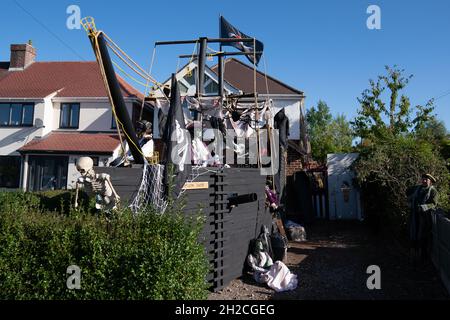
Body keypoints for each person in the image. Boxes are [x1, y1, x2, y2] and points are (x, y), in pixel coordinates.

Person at [407, 173, 438, 263]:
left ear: (430, 181)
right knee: (413, 234)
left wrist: (423, 207)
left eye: (426, 180)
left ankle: (422, 259)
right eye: (423, 179)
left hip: (424, 218)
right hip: (414, 216)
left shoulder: (433, 191)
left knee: (422, 237)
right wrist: (409, 202)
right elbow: (408, 193)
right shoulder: (417, 188)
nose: (424, 181)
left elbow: (434, 204)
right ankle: (413, 257)